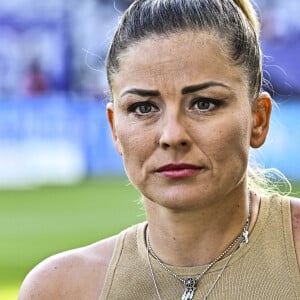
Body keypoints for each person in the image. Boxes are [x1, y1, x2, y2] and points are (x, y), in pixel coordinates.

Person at [19, 0, 300, 299]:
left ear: (259, 119)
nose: (172, 135)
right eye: (143, 108)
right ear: (115, 129)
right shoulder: (60, 290)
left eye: (204, 103)